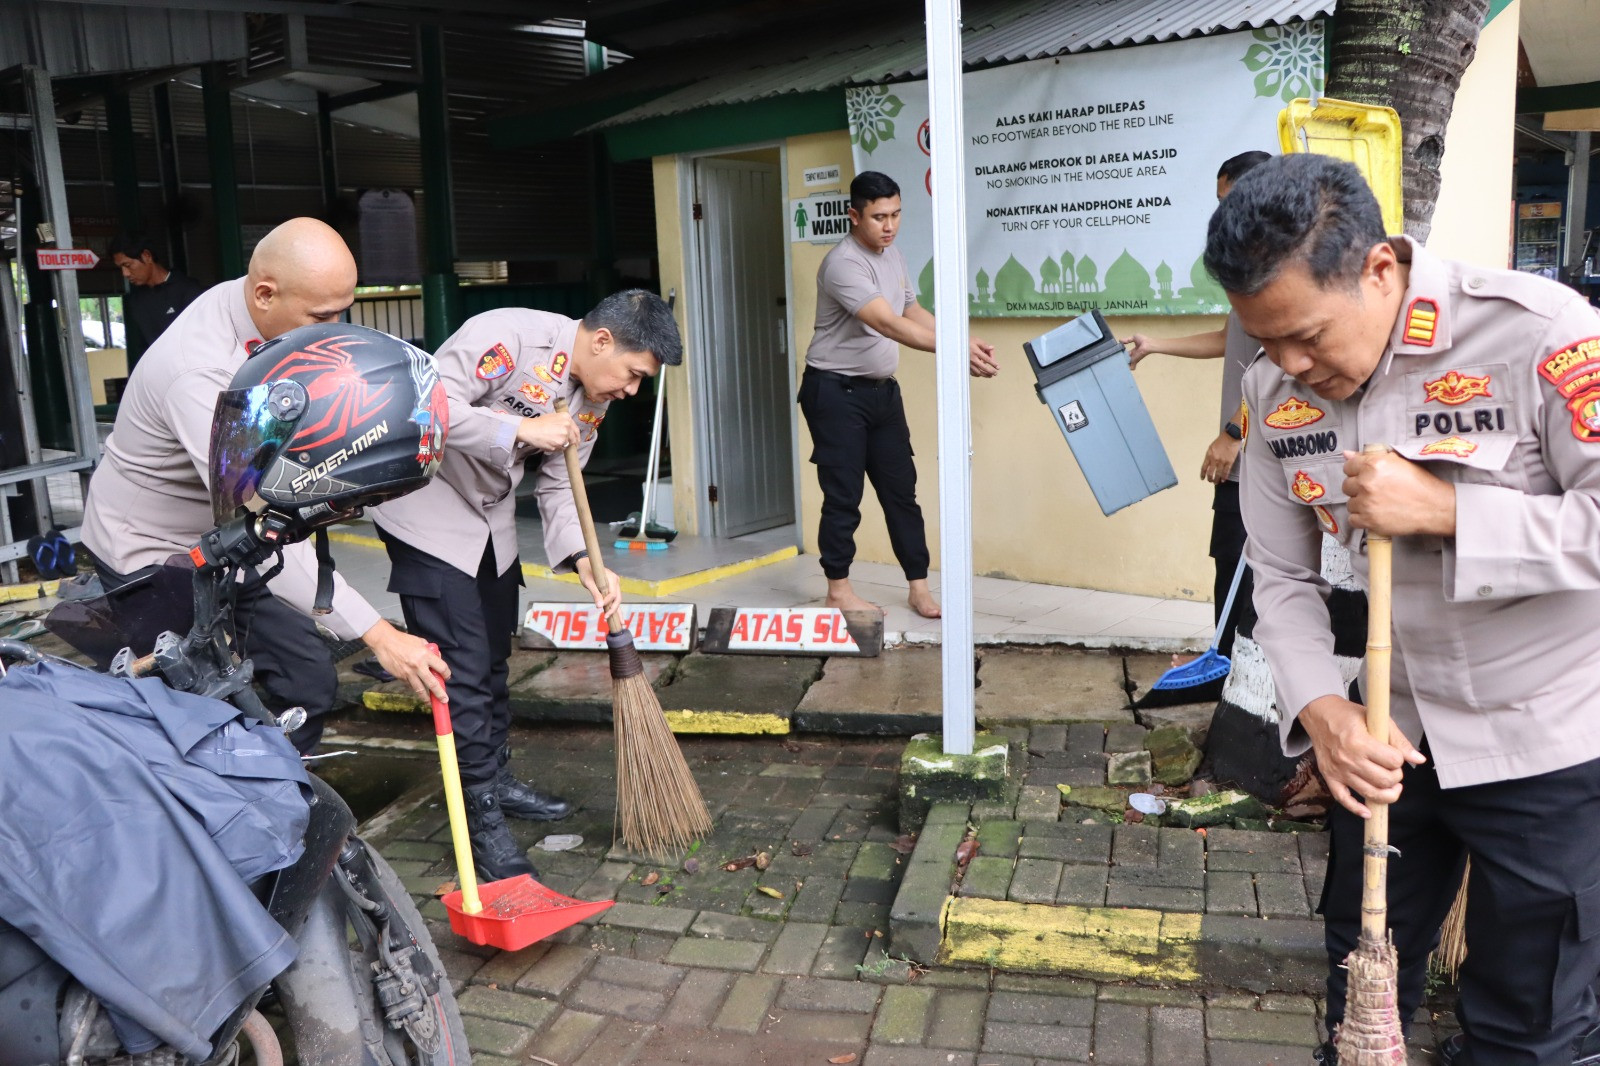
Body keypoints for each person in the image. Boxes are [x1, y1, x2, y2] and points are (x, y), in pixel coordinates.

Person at [1211, 152, 1600, 1065]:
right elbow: (1280, 577)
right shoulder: (1273, 397)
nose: (1289, 366)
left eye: (1306, 335)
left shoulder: (1541, 337)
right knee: (1364, 986)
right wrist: (1322, 710)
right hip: (1386, 738)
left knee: (1530, 1026)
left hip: (1544, 736)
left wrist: (1451, 511)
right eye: (1263, 341)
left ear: (1379, 268)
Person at [81, 217, 449, 754]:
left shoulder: (273, 324)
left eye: (343, 309)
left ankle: (284, 810)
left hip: (229, 540)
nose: (335, 325)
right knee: (193, 714)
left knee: (306, 680)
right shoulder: (201, 374)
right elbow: (261, 511)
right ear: (265, 293)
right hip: (152, 552)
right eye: (323, 315)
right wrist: (379, 634)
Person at [371, 290, 679, 881]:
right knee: (459, 670)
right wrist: (520, 429)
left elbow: (563, 484)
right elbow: (424, 406)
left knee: (491, 661)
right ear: (602, 341)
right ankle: (478, 816)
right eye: (634, 375)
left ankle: (495, 777)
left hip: (490, 523)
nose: (631, 390)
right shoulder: (507, 336)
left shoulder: (592, 397)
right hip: (428, 515)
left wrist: (583, 559)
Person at [800, 170, 998, 619]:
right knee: (843, 495)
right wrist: (954, 350)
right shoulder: (843, 264)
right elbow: (886, 323)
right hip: (835, 392)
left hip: (882, 394)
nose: (889, 226)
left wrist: (962, 337)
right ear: (854, 216)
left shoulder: (892, 255)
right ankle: (838, 590)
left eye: (896, 215)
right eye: (878, 217)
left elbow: (910, 309)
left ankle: (919, 587)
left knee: (901, 492)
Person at [1121, 150, 1270, 665]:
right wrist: (1157, 345)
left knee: (1248, 571)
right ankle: (1226, 666)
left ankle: (1238, 674)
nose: (1220, 216)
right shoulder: (1251, 265)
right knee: (1229, 564)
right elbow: (1231, 340)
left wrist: (1233, 433)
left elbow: (1279, 368)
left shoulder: (1276, 270)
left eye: (1226, 202)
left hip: (1261, 457)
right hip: (1243, 456)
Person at [108, 232, 208, 356]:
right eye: (120, 268)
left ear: (147, 256)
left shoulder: (189, 290)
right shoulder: (136, 301)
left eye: (127, 265)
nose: (125, 273)